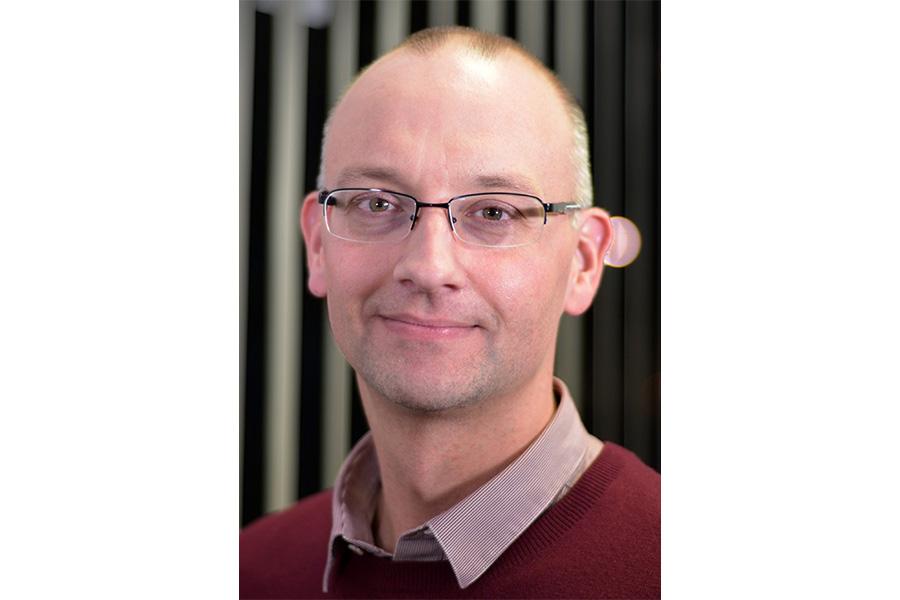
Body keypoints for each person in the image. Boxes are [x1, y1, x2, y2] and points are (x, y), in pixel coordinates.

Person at [240, 26, 659, 599]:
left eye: (494, 213)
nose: (429, 266)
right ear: (317, 246)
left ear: (583, 263)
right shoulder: (252, 571)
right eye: (377, 203)